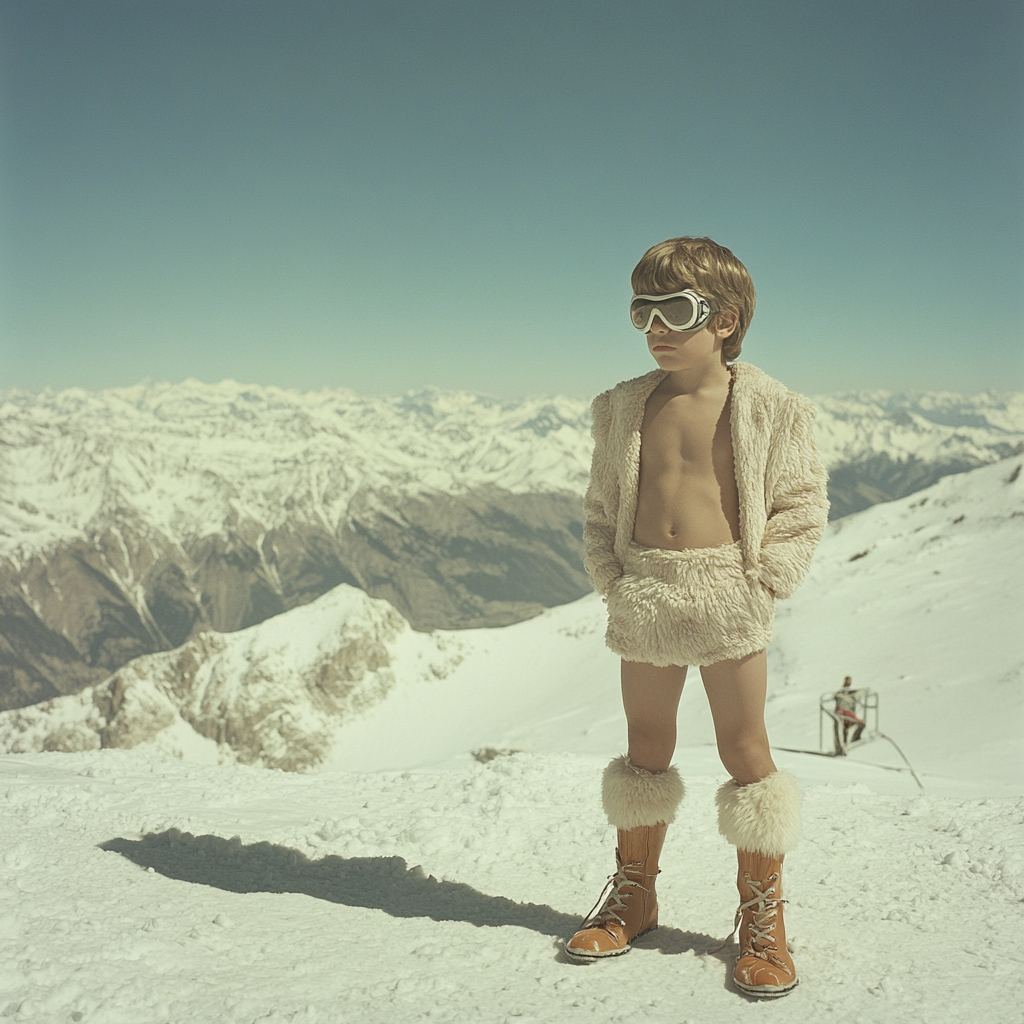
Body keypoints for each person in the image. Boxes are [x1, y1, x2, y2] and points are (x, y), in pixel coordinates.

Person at [566, 237, 829, 999]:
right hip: (646, 588)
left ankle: (761, 914)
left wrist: (766, 580)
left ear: (725, 319)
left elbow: (799, 503)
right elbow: (600, 504)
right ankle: (635, 892)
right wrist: (612, 577)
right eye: (641, 309)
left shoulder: (772, 407)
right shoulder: (623, 406)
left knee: (745, 747)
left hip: (726, 591)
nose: (654, 326)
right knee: (645, 743)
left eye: (674, 309)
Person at [832, 676, 866, 754]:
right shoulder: (841, 693)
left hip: (847, 713)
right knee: (841, 729)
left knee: (853, 726)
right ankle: (840, 748)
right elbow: (838, 696)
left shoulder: (851, 693)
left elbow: (860, 692)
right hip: (840, 713)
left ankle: (851, 742)